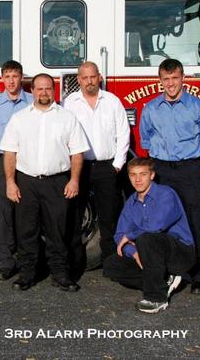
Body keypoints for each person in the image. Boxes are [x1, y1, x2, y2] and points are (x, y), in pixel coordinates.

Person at [0, 73, 89, 292]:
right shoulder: (19, 118)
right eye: (39, 89)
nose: (43, 92)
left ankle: (61, 275)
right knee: (26, 231)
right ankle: (27, 275)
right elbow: (10, 153)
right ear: (32, 91)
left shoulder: (67, 117)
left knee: (57, 232)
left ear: (54, 90)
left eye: (48, 88)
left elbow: (77, 153)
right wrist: (10, 183)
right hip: (27, 182)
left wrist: (74, 180)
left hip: (57, 182)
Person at [139, 58, 200, 295]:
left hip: (189, 169)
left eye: (175, 78)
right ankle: (168, 268)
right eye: (166, 79)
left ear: (183, 78)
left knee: (196, 221)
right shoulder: (151, 109)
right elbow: (146, 141)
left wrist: (191, 163)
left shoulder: (199, 107)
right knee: (162, 221)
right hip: (162, 170)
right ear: (160, 80)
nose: (171, 84)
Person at [103, 157, 196, 314]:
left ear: (152, 175)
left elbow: (156, 225)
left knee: (147, 238)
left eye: (143, 174)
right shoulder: (131, 203)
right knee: (111, 264)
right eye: (133, 175)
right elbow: (119, 235)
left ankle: (156, 298)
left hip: (180, 253)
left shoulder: (166, 194)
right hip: (149, 254)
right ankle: (164, 279)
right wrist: (134, 252)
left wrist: (131, 236)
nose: (138, 179)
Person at [62, 61, 130, 262]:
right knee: (74, 215)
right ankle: (74, 262)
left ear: (99, 77)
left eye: (93, 77)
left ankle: (110, 262)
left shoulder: (112, 101)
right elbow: (63, 135)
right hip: (79, 168)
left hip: (106, 167)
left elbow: (123, 134)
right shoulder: (69, 103)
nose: (89, 81)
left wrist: (117, 165)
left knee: (108, 217)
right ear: (78, 80)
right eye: (84, 78)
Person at [0, 60, 33, 280]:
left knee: (26, 211)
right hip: (2, 161)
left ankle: (26, 259)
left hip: (28, 161)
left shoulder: (32, 101)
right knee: (2, 210)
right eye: (7, 76)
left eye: (15, 76)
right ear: (2, 78)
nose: (11, 81)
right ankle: (5, 261)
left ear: (21, 77)